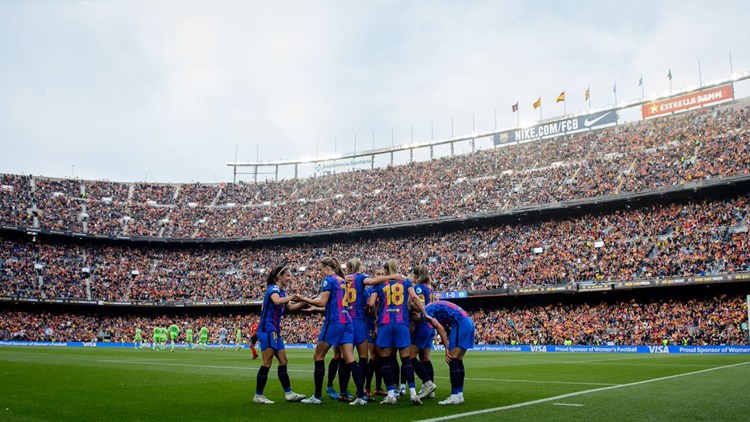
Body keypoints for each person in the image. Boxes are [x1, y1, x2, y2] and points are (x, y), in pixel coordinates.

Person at [366, 259, 437, 405]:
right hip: (402, 323)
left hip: (385, 323)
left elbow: (371, 303)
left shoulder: (379, 284)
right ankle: (412, 393)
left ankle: (391, 393)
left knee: (385, 359)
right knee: (406, 359)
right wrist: (425, 313)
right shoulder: (405, 282)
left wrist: (375, 317)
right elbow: (415, 298)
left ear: (386, 271)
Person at [299, 257, 367, 406]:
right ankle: (361, 396)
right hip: (347, 320)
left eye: (321, 268)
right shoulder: (341, 280)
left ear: (327, 268)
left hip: (334, 322)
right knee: (350, 358)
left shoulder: (329, 280)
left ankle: (317, 396)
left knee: (318, 356)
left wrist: (303, 299)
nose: (320, 272)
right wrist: (316, 307)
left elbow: (323, 301)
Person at [253, 265, 308, 404]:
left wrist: (304, 302)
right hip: (267, 329)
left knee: (283, 361)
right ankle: (258, 395)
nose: (290, 278)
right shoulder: (273, 289)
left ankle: (289, 393)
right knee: (267, 362)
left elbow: (289, 307)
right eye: (287, 276)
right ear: (279, 277)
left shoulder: (282, 292)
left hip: (275, 330)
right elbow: (277, 301)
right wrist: (292, 296)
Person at [423, 300, 475, 405]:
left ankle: (454, 396)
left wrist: (446, 348)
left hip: (460, 323)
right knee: (458, 360)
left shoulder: (425, 312)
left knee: (452, 359)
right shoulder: (432, 307)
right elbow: (445, 327)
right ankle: (459, 395)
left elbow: (440, 328)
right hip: (468, 321)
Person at [411, 265, 438, 400]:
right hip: (430, 326)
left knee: (410, 357)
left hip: (422, 325)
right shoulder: (430, 288)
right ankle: (430, 389)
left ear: (416, 275)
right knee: (425, 358)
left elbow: (419, 305)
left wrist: (409, 304)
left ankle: (428, 384)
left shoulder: (419, 288)